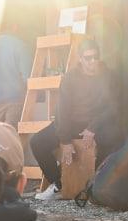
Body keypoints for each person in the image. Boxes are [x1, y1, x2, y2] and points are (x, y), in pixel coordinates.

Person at [31, 39, 121, 201]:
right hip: (69, 124)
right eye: (88, 58)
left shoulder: (108, 76)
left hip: (95, 125)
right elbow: (63, 110)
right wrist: (65, 140)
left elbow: (112, 107)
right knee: (37, 142)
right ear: (80, 58)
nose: (92, 61)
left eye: (95, 57)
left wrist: (93, 128)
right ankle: (58, 184)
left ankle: (97, 187)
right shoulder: (70, 78)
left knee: (114, 137)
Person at [0, 22, 32, 125]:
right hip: (16, 102)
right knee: (11, 137)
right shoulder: (20, 45)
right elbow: (28, 78)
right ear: (14, 26)